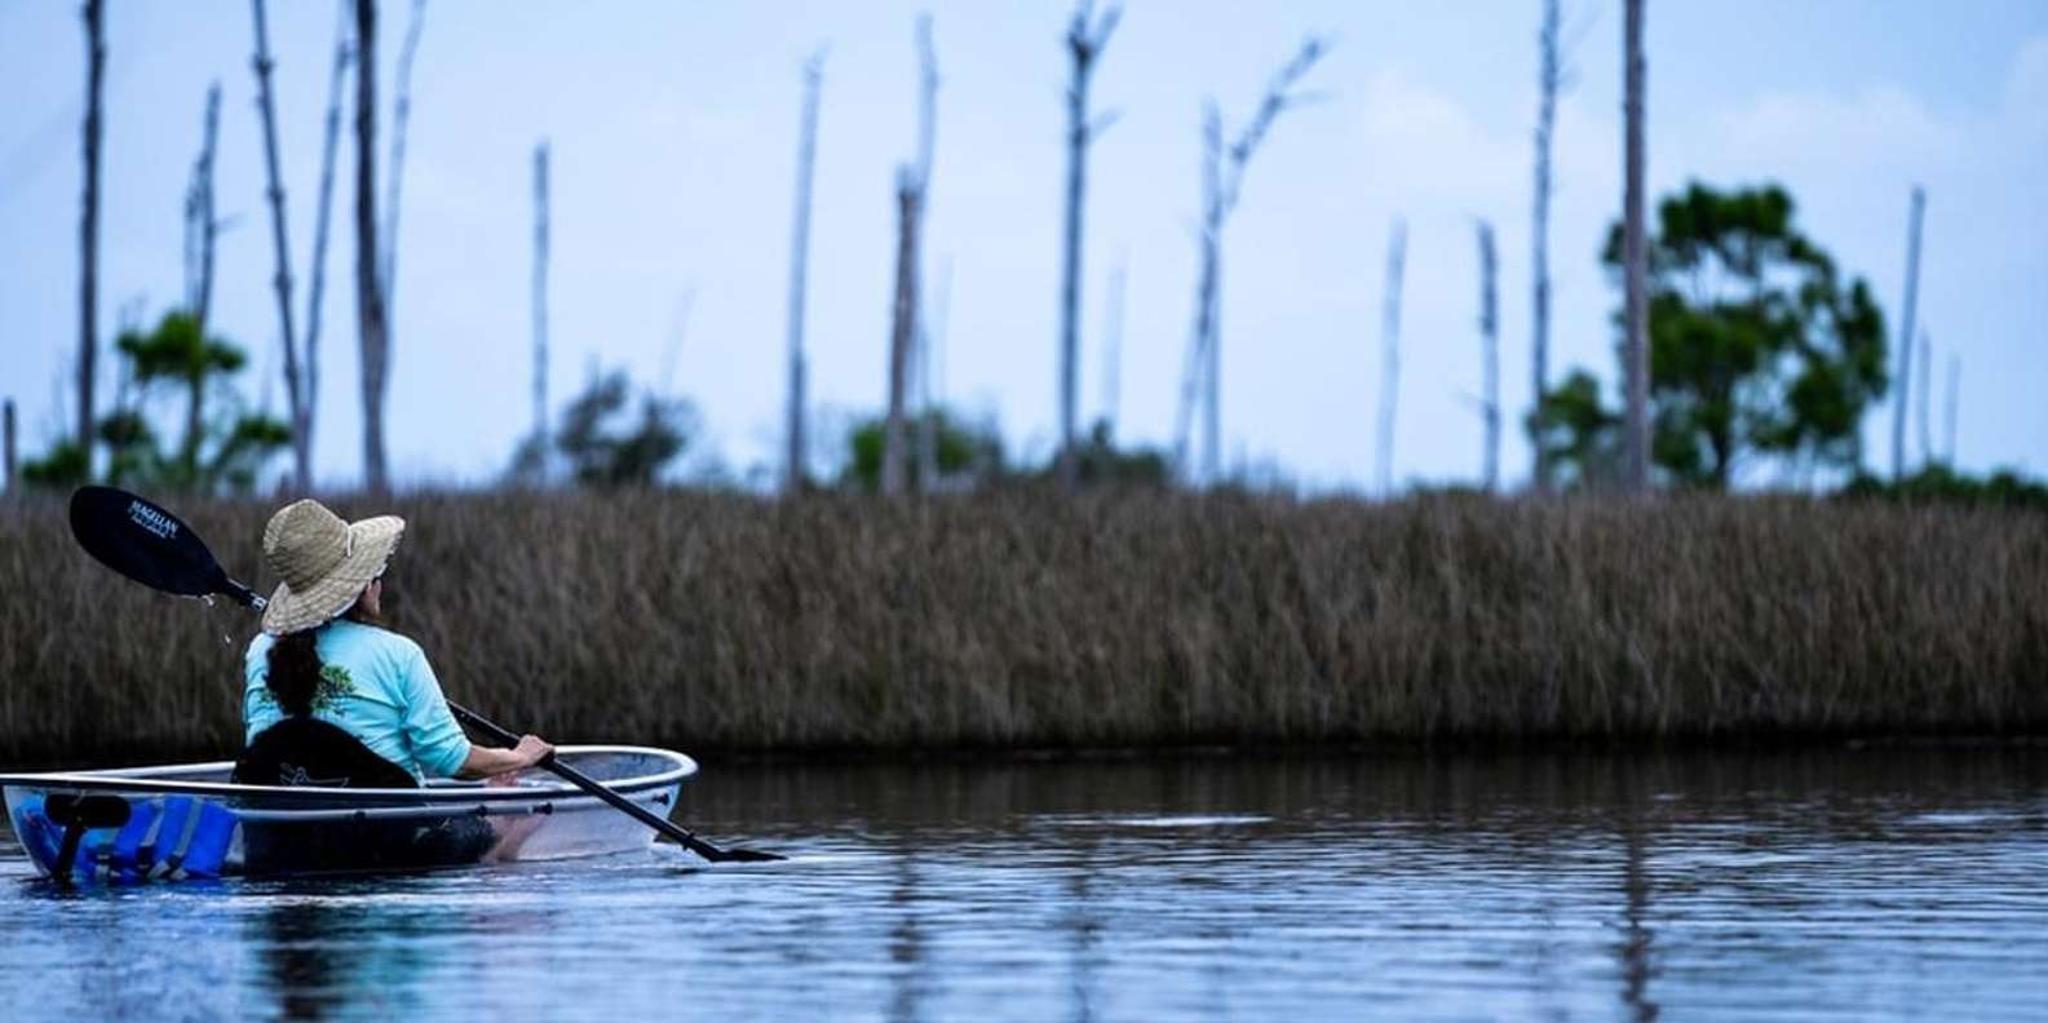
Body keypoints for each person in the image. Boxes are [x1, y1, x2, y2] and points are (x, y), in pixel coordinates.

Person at [233, 498, 551, 789]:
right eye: (378, 571)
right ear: (363, 586)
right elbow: (452, 760)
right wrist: (519, 757)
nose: (381, 583)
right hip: (390, 837)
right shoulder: (399, 654)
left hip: (276, 835)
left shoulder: (260, 650)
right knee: (506, 822)